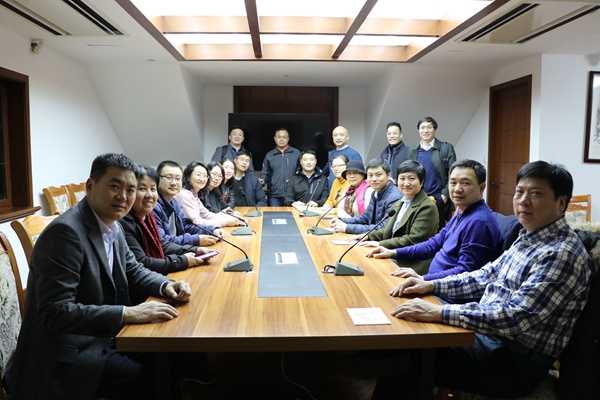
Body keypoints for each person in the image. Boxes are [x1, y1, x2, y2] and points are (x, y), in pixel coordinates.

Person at [371, 161, 594, 399]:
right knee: (408, 332)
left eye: (536, 194)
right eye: (519, 192)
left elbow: (515, 316)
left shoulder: (561, 253)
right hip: (490, 338)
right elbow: (485, 275)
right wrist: (431, 285)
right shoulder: (529, 237)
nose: (523, 201)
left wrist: (439, 312)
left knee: (411, 356)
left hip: (513, 361)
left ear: (561, 203)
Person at [5, 153, 191, 400]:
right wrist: (127, 313)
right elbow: (55, 312)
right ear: (90, 186)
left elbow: (133, 269)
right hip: (67, 350)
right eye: (115, 186)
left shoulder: (113, 224)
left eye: (130, 189)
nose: (123, 196)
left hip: (99, 334)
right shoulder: (66, 233)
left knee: (172, 356)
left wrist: (166, 285)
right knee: (147, 378)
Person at [367, 159, 502, 283]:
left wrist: (423, 279)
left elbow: (465, 272)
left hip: (445, 291)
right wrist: (393, 252)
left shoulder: (478, 222)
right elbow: (432, 244)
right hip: (433, 280)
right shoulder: (462, 211)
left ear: (481, 188)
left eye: (465, 183)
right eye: (453, 183)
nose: (457, 189)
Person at [119, 165, 210, 278]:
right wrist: (182, 260)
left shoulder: (148, 217)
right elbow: (142, 262)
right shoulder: (124, 222)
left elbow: (162, 244)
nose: (149, 195)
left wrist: (195, 250)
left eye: (153, 189)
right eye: (142, 189)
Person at [350, 160, 438, 273]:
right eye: (402, 179)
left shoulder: (427, 206)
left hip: (411, 262)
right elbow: (387, 230)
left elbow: (414, 240)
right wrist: (367, 236)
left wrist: (380, 244)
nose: (406, 183)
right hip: (392, 254)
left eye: (411, 179)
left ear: (422, 181)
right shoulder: (399, 203)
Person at [152, 160, 223, 247]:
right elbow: (162, 241)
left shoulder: (174, 203)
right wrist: (196, 240)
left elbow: (186, 226)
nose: (173, 183)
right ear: (157, 179)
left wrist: (212, 230)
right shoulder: (153, 206)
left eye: (178, 178)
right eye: (168, 177)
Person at [407, 116, 457, 229]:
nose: (425, 131)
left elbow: (454, 174)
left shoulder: (446, 148)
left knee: (438, 230)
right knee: (418, 229)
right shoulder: (412, 150)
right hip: (418, 198)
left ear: (435, 129)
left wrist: (444, 196)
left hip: (439, 197)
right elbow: (409, 174)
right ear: (418, 130)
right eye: (422, 128)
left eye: (429, 127)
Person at [330, 158, 402, 234]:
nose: (374, 179)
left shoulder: (394, 197)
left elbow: (383, 228)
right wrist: (341, 220)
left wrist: (347, 227)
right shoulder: (375, 193)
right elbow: (365, 218)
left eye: (378, 175)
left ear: (389, 175)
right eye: (370, 175)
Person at [175, 161, 244, 228]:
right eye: (198, 175)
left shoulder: (194, 195)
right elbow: (197, 223)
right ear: (188, 176)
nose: (202, 179)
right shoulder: (184, 195)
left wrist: (231, 218)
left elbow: (206, 215)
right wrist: (225, 222)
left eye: (205, 176)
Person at [259, 128, 301, 206]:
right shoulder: (270, 155)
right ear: (275, 138)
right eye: (279, 137)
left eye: (284, 137)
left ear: (288, 139)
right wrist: (262, 181)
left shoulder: (296, 153)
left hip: (293, 194)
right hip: (275, 195)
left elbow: (301, 172)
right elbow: (266, 173)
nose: (281, 139)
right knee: (275, 214)